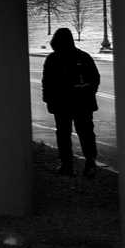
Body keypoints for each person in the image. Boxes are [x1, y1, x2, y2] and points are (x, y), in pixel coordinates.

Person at [41, 26, 100, 176]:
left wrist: (48, 100)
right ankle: (90, 162)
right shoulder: (83, 57)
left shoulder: (52, 59)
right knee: (86, 132)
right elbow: (95, 78)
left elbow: (47, 82)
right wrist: (88, 92)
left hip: (61, 103)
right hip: (82, 103)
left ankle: (66, 165)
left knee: (63, 134)